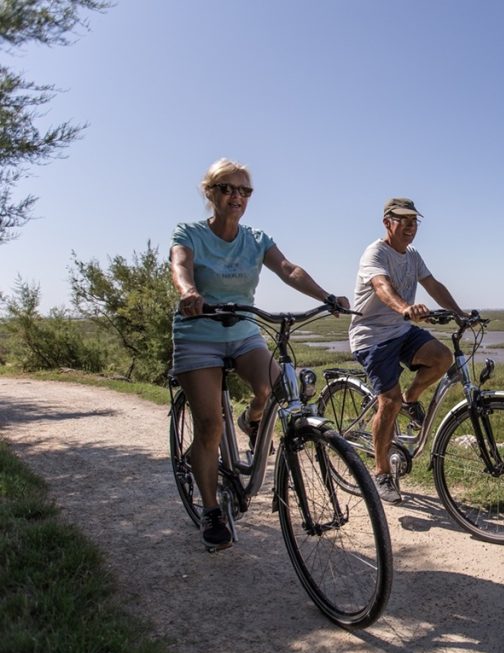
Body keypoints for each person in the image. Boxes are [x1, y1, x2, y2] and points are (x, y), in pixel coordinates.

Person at [169, 158, 348, 551]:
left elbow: (288, 268)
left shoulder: (257, 238)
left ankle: (252, 422)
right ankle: (212, 510)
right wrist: (188, 293)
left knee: (274, 387)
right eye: (228, 189)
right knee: (209, 427)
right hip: (199, 332)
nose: (237, 197)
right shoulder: (191, 233)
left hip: (244, 330)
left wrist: (326, 297)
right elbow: (180, 265)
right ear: (210, 193)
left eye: (244, 191)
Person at [349, 197, 468, 504]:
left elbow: (433, 284)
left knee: (442, 358)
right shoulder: (375, 252)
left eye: (414, 222)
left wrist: (458, 312)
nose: (410, 228)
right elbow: (381, 286)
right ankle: (381, 472)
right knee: (387, 402)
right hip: (372, 336)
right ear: (388, 222)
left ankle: (410, 399)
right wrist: (405, 307)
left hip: (401, 331)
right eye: (404, 221)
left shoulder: (413, 255)